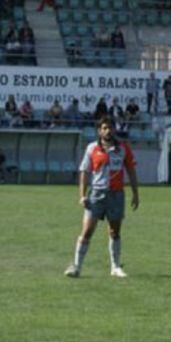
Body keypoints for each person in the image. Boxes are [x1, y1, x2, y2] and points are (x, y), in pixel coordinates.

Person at [65, 116, 140, 279]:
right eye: (104, 128)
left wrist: (135, 193)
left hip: (116, 195)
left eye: (110, 127)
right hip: (96, 194)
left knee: (114, 231)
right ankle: (76, 267)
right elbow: (84, 172)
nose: (108, 131)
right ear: (99, 131)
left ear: (114, 129)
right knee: (86, 232)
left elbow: (131, 171)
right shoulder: (92, 148)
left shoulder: (123, 148)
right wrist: (82, 195)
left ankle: (115, 267)